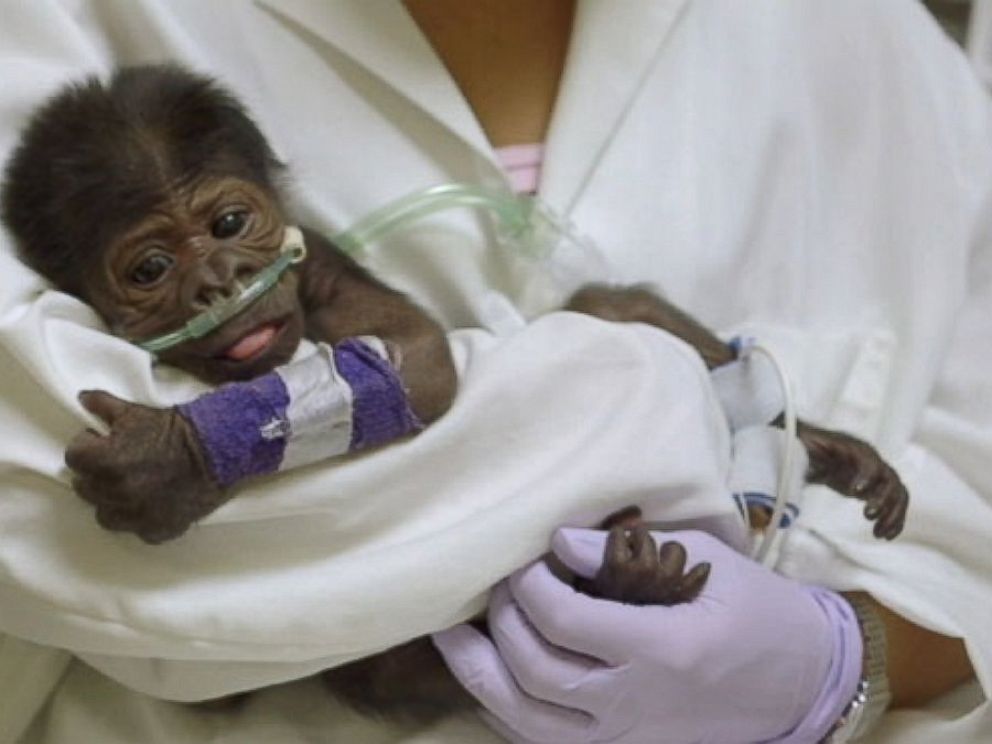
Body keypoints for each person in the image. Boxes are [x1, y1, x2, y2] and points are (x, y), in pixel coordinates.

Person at [0, 2, 987, 743]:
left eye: (228, 227)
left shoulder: (856, 30)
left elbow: (409, 379)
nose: (214, 276)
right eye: (149, 267)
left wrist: (840, 665)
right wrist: (644, 408)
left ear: (277, 203)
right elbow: (60, 525)